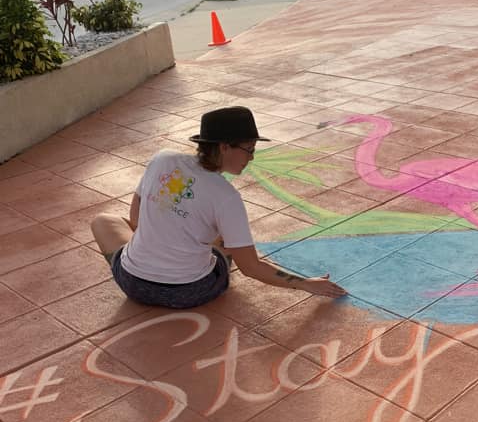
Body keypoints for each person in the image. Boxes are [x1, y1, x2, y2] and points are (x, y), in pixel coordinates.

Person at [91, 106, 347, 308]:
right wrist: (305, 284)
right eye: (249, 149)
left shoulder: (163, 159)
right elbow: (251, 267)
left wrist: (163, 237)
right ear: (224, 147)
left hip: (132, 282)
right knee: (226, 241)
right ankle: (176, 251)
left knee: (103, 220)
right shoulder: (226, 197)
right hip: (190, 291)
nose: (252, 158)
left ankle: (158, 251)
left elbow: (135, 216)